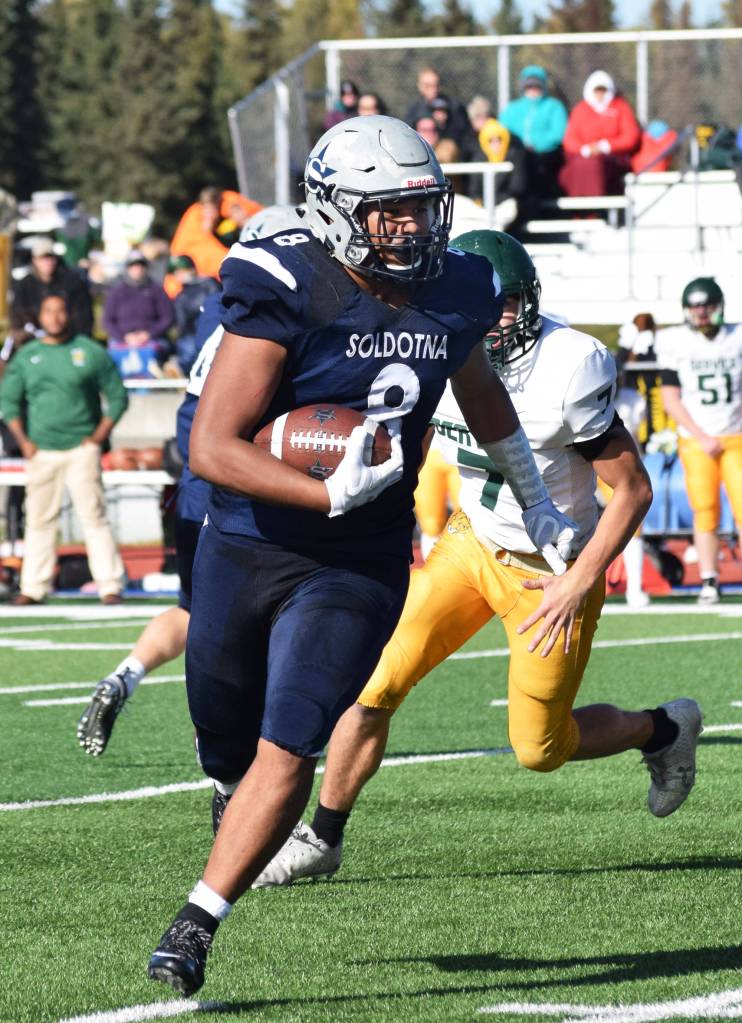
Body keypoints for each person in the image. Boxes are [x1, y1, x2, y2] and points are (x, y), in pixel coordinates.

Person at [146, 115, 576, 998]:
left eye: (421, 207)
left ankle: (196, 920)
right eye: (389, 213)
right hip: (251, 537)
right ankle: (232, 797)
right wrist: (319, 490)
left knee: (293, 735)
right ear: (338, 210)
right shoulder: (284, 280)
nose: (413, 229)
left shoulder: (455, 286)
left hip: (361, 558)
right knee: (223, 729)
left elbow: (479, 388)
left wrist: (537, 499)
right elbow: (214, 445)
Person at [251, 230, 703, 890]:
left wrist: (579, 582)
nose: (495, 322)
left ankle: (662, 730)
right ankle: (323, 834)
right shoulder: (432, 340)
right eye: (485, 306)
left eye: (508, 307)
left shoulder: (569, 363)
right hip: (469, 542)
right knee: (369, 687)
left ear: (531, 301)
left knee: (539, 749)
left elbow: (633, 487)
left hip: (548, 570)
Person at [76, 207, 307, 757]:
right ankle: (246, 743)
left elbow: (193, 420)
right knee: (272, 608)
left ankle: (126, 674)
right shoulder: (280, 310)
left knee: (194, 607)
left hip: (198, 479)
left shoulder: (217, 308)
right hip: (240, 480)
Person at [0, 294, 128, 606]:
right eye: (48, 311)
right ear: (40, 316)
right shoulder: (27, 355)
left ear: (68, 315)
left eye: (60, 311)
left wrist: (98, 437)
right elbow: (7, 402)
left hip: (82, 449)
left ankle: (110, 584)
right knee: (39, 520)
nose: (55, 317)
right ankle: (33, 587)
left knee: (94, 517)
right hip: (42, 451)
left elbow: (118, 396)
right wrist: (24, 441)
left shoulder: (89, 351)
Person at [656, 277, 742, 605]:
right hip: (696, 440)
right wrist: (702, 436)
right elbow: (670, 397)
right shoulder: (676, 342)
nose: (701, 313)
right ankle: (709, 579)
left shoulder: (736, 338)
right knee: (704, 510)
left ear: (719, 307)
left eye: (707, 306)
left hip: (736, 436)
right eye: (695, 307)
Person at [166, 186, 263, 296]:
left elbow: (253, 214)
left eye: (211, 210)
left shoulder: (229, 203)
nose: (212, 216)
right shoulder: (196, 219)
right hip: (184, 285)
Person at [559, 70, 641, 198]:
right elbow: (569, 139)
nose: (600, 94)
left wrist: (605, 146)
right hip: (583, 156)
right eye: (597, 90)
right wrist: (585, 149)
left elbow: (630, 137)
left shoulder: (620, 107)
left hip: (613, 158)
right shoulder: (580, 109)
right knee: (577, 167)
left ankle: (596, 208)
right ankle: (579, 209)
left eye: (603, 90)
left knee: (595, 165)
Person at [498, 65, 568, 214]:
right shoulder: (512, 109)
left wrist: (536, 145)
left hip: (545, 156)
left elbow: (558, 134)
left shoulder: (554, 106)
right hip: (517, 157)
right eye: (529, 85)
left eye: (537, 85)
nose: (533, 89)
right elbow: (502, 132)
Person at [103, 250, 175, 380]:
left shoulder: (156, 290)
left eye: (141, 265)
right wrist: (124, 337)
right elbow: (108, 321)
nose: (137, 269)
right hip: (122, 339)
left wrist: (148, 334)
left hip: (151, 338)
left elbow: (167, 317)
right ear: (127, 268)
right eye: (133, 265)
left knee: (155, 352)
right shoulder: (117, 292)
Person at [11, 237, 94, 338]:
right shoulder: (24, 285)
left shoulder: (72, 282)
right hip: (35, 340)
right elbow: (18, 316)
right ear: (34, 260)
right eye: (43, 258)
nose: (47, 262)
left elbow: (84, 316)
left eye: (50, 257)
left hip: (68, 339)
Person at [170, 255, 221, 376]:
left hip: (213, 330)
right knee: (186, 346)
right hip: (191, 335)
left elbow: (217, 310)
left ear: (192, 269)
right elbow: (181, 325)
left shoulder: (209, 284)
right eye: (176, 272)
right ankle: (180, 370)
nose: (178, 274)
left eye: (182, 270)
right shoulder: (180, 296)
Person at [405, 67, 469, 149]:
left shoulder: (453, 107)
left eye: (436, 85)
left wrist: (444, 126)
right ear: (420, 86)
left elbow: (463, 136)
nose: (433, 89)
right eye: (427, 86)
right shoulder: (414, 110)